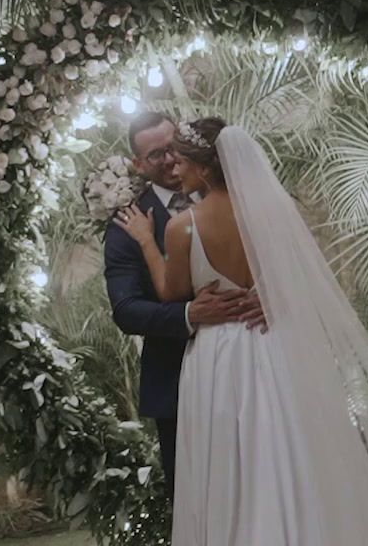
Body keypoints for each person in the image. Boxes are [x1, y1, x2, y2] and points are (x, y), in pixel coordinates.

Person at [113, 117, 368, 546]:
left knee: (231, 462)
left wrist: (147, 242)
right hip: (274, 343)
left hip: (218, 356)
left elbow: (171, 292)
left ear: (204, 166)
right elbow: (302, 273)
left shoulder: (181, 227)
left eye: (181, 160)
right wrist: (271, 297)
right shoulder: (272, 210)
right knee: (290, 448)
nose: (175, 168)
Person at [102, 112, 266, 502]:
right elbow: (126, 309)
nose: (171, 158)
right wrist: (189, 315)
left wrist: (269, 295)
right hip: (180, 383)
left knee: (271, 478)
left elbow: (282, 263)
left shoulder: (244, 197)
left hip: (260, 363)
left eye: (174, 145)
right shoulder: (128, 223)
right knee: (203, 501)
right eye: (156, 154)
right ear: (138, 165)